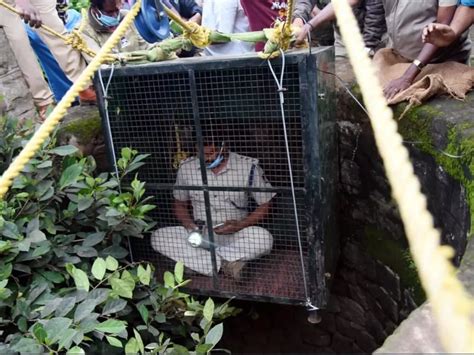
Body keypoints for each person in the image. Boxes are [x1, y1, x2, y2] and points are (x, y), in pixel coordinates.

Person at [151, 134, 275, 278]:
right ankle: (226, 264)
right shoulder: (186, 168)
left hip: (235, 234)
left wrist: (241, 224)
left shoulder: (247, 167)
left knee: (264, 238)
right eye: (202, 153)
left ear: (224, 146)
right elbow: (179, 204)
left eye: (211, 153)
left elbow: (265, 204)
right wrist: (189, 225)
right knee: (158, 237)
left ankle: (197, 264)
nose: (207, 158)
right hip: (200, 234)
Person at [293, 0, 471, 100]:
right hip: (404, 56)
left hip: (440, 61)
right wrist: (310, 25)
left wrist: (408, 76)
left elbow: (440, 30)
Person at [11, 0, 96, 104]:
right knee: (20, 45)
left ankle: (85, 87)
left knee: (57, 35)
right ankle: (44, 102)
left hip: (63, 20)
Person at [293, 0, 386, 57]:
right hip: (343, 36)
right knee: (340, 78)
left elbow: (341, 3)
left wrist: (310, 25)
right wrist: (299, 18)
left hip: (375, 35)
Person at [79, 0, 151, 62]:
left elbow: (144, 46)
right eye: (110, 12)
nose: (115, 16)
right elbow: (100, 64)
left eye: (117, 11)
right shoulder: (85, 31)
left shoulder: (127, 17)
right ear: (95, 10)